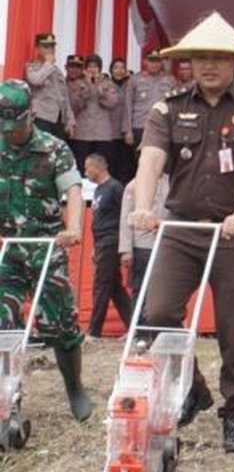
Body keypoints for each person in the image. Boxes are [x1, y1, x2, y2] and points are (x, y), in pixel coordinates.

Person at [127, 12, 234, 453]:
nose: (209, 66)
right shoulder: (169, 108)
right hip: (180, 228)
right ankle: (192, 386)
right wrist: (142, 207)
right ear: (188, 65)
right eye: (200, 59)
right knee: (156, 312)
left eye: (219, 58)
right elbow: (151, 162)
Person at [0, 80, 92, 421]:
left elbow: (73, 190)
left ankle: (75, 388)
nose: (10, 133)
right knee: (2, 323)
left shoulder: (54, 148)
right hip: (7, 250)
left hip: (47, 248)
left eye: (16, 125)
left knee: (59, 326)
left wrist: (74, 228)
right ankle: (9, 401)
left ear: (32, 115)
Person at [84, 152, 131, 338]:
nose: (86, 172)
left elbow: (124, 215)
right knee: (114, 287)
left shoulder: (115, 188)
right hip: (101, 241)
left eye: (88, 168)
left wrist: (125, 245)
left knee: (102, 284)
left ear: (98, 167)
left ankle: (94, 331)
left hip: (112, 240)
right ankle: (134, 325)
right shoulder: (98, 190)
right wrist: (95, 246)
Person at [68, 54, 120, 175]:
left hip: (102, 133)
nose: (92, 69)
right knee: (81, 166)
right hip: (82, 133)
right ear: (85, 68)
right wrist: (85, 90)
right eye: (90, 66)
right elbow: (73, 105)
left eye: (96, 67)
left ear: (100, 69)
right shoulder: (77, 84)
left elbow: (113, 103)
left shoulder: (108, 83)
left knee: (101, 166)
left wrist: (100, 90)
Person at [119, 174, 168, 300]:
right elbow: (126, 218)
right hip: (142, 245)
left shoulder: (173, 182)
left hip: (167, 245)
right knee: (140, 290)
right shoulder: (133, 185)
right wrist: (126, 250)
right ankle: (139, 319)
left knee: (166, 290)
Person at [122, 50, 175, 159]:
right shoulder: (135, 79)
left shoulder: (170, 80)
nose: (154, 64)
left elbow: (175, 106)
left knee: (162, 161)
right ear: (145, 62)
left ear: (162, 63)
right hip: (140, 126)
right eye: (151, 61)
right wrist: (127, 131)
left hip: (162, 126)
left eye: (157, 61)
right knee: (141, 161)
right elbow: (127, 106)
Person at [25, 33, 74, 138]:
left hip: (58, 118)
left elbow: (64, 96)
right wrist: (48, 64)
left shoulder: (56, 70)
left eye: (52, 46)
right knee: (41, 151)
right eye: (46, 46)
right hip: (41, 117)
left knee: (57, 152)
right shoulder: (31, 66)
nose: (50, 49)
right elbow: (36, 80)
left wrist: (70, 120)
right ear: (37, 48)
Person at [108, 57, 132, 181]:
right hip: (110, 131)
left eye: (122, 68)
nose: (119, 71)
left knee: (126, 165)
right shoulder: (106, 84)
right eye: (116, 68)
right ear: (111, 70)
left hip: (126, 131)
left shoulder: (131, 83)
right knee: (111, 164)